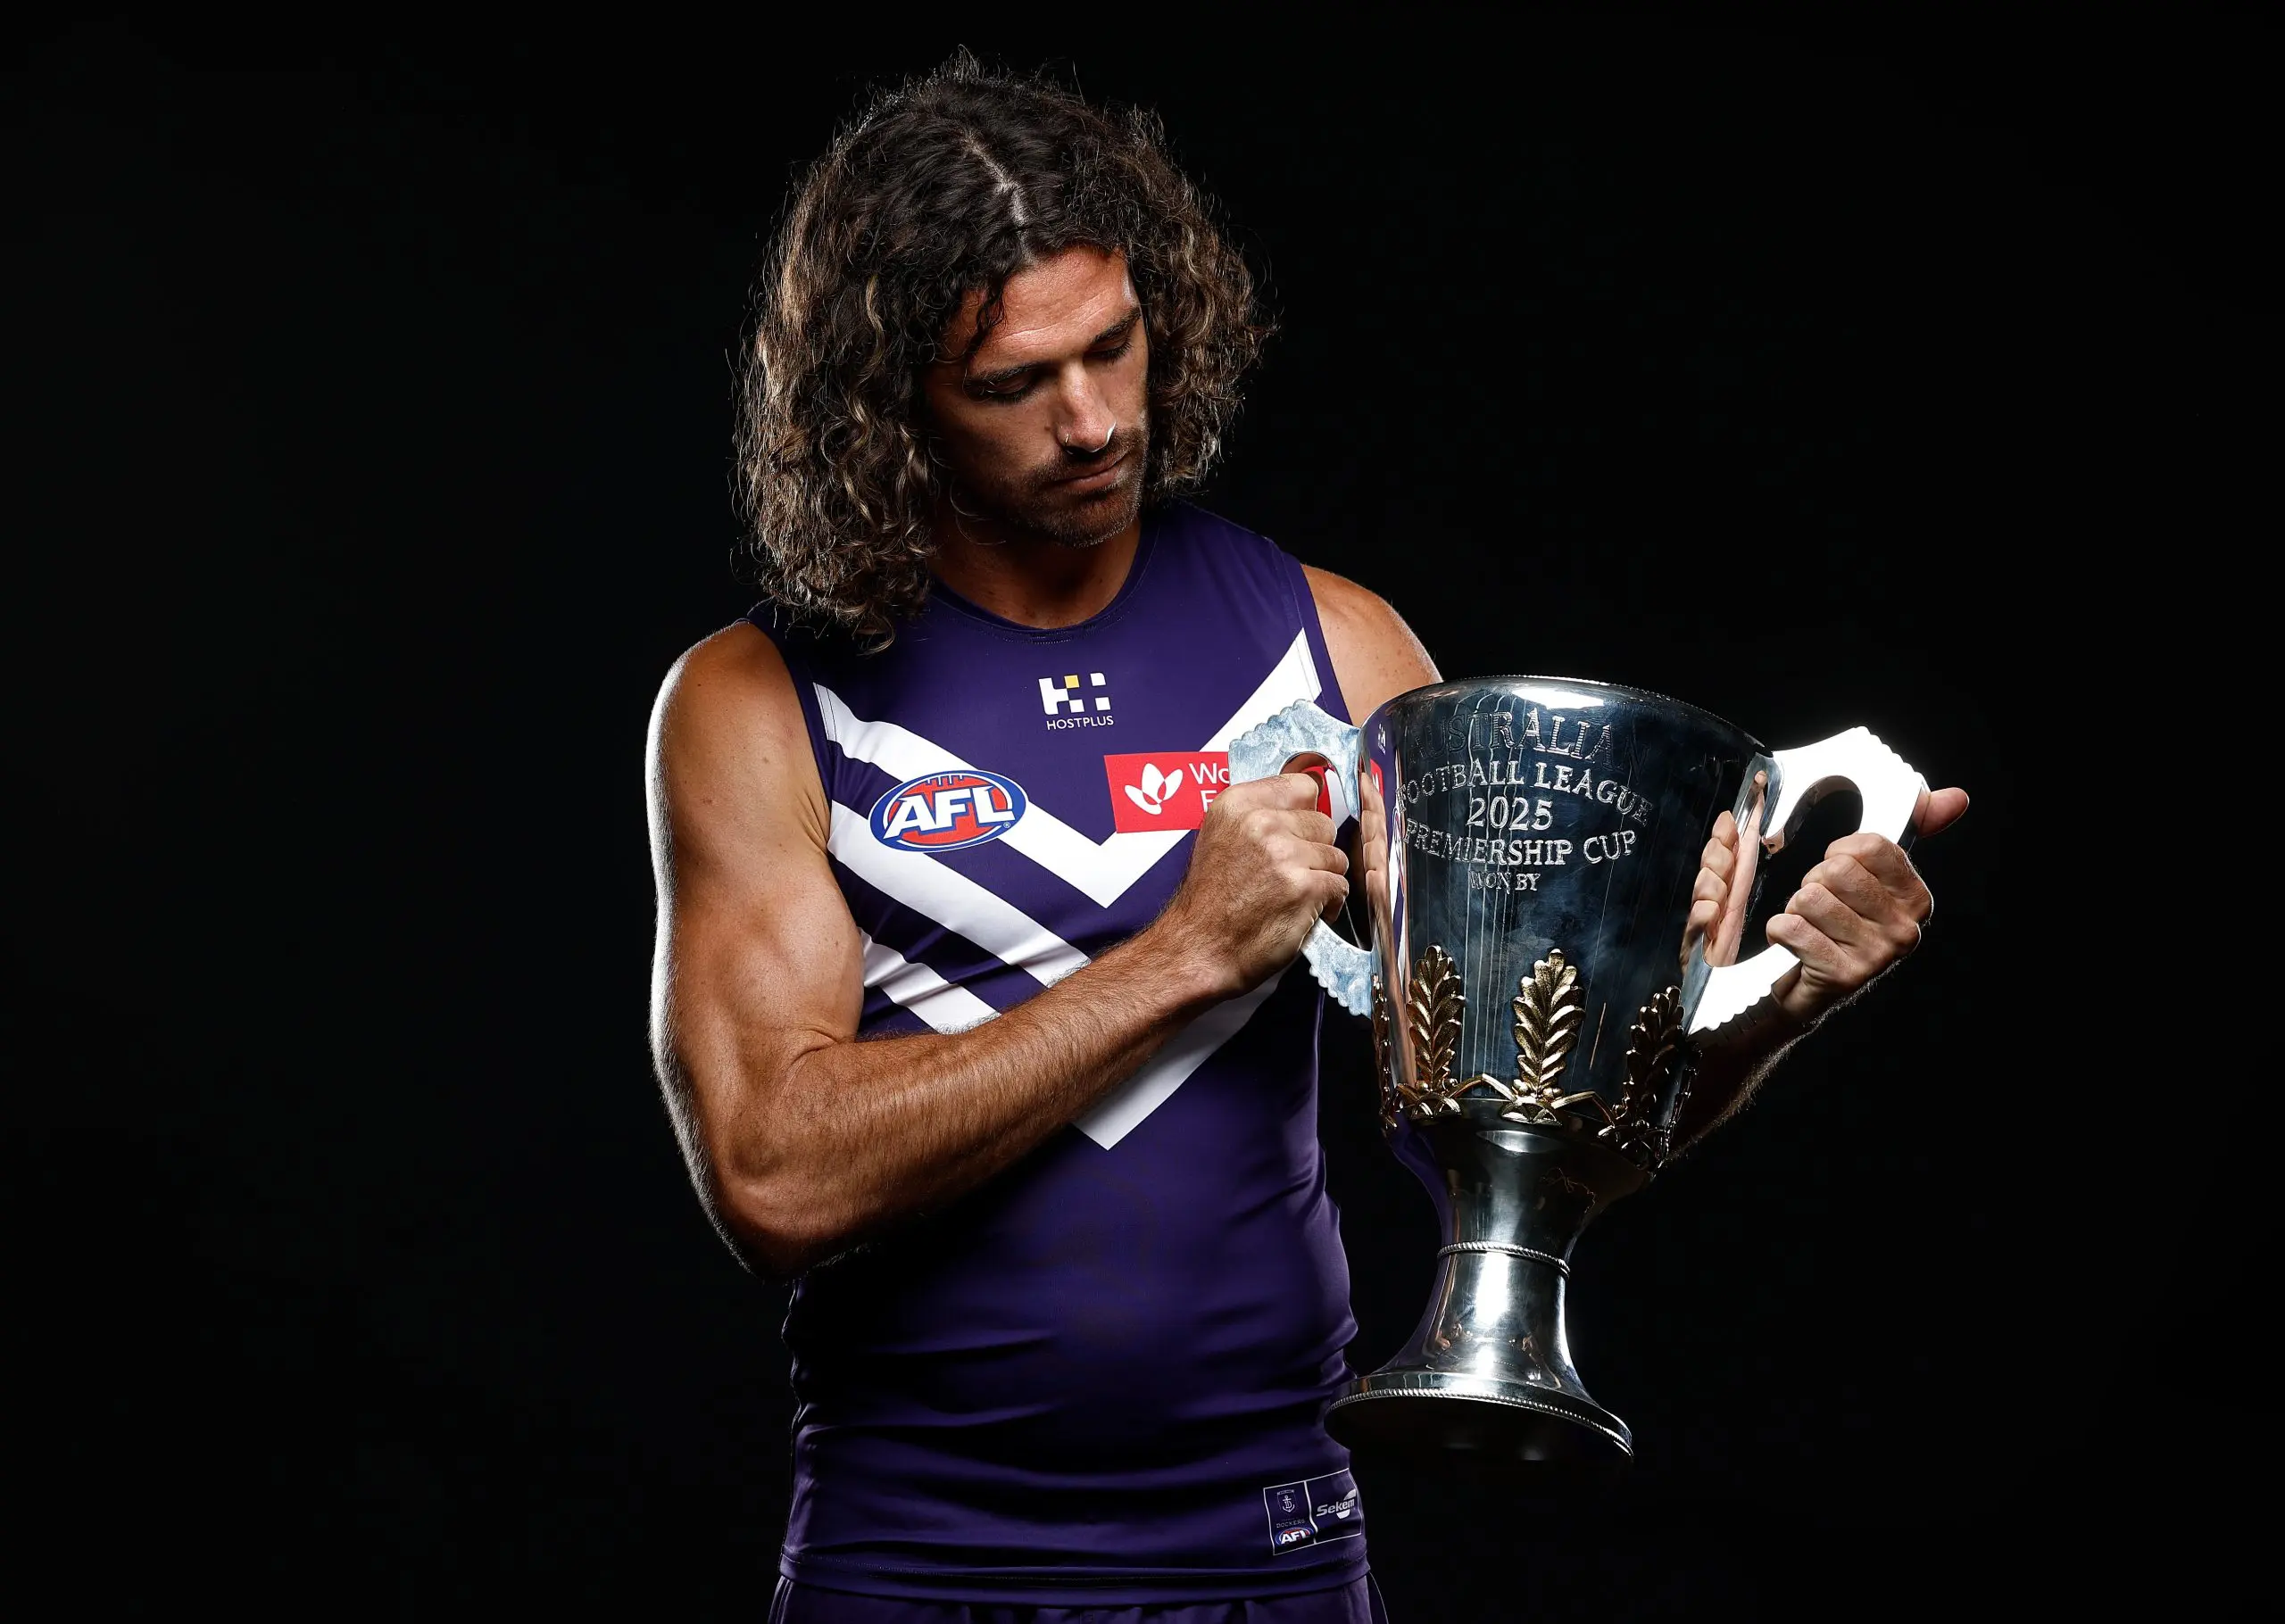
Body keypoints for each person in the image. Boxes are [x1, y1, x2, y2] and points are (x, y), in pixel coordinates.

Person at [644, 56, 1966, 1624]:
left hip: (1268, 1542)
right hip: (915, 1553)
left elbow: (1533, 1138)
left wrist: (1777, 1002)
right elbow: (773, 1181)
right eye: (1013, 385)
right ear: (891, 407)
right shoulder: (757, 701)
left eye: (1114, 349)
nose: (1091, 422)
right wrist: (1188, 954)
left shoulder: (1337, 655)